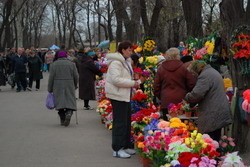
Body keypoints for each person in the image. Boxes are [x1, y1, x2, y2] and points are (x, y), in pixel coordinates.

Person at [105, 41, 145, 158]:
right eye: (129, 50)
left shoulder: (126, 61)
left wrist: (135, 78)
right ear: (122, 50)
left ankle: (126, 145)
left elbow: (124, 76)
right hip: (118, 96)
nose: (131, 52)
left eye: (131, 50)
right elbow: (116, 80)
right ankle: (117, 149)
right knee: (120, 123)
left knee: (126, 122)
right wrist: (133, 83)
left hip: (125, 95)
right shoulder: (116, 63)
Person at [184, 61, 232, 141]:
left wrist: (186, 96)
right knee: (215, 136)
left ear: (196, 70)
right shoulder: (211, 71)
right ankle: (217, 152)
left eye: (193, 73)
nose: (193, 75)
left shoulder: (205, 76)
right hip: (218, 108)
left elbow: (197, 94)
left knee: (210, 139)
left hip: (213, 110)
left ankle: (214, 153)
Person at [153, 47, 196, 120]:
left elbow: (156, 87)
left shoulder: (161, 68)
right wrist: (187, 96)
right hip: (181, 101)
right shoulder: (183, 68)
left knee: (166, 127)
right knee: (181, 127)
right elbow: (191, 84)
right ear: (176, 56)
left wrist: (162, 96)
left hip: (166, 102)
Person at [48, 51, 79, 127]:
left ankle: (62, 118)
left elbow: (51, 78)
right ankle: (69, 112)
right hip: (69, 84)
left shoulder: (53, 65)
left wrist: (50, 88)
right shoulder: (72, 64)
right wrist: (75, 85)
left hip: (57, 85)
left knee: (59, 101)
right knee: (70, 100)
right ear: (66, 56)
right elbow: (76, 76)